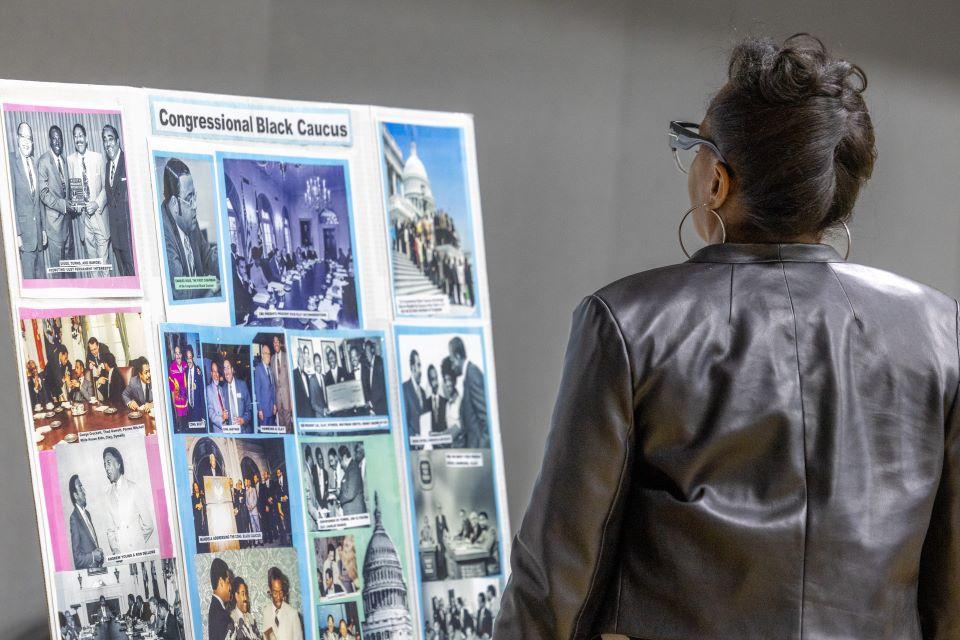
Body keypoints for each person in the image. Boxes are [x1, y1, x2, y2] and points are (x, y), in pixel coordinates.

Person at [494, 33, 960, 638]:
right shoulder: (941, 329)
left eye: (693, 146)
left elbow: (556, 583)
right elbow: (952, 591)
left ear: (717, 180)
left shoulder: (626, 323)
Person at [160, 157, 219, 299]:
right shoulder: (164, 235)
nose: (195, 206)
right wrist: (210, 285)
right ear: (175, 204)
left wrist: (226, 261)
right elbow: (181, 291)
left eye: (194, 197)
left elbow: (207, 256)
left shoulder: (190, 220)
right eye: (189, 199)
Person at [67, 123, 108, 267]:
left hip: (99, 217)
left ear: (86, 138)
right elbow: (73, 190)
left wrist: (96, 203)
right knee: (92, 264)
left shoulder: (98, 158)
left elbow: (106, 188)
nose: (78, 139)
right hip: (84, 221)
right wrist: (76, 203)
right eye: (75, 136)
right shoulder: (70, 160)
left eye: (81, 135)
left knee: (103, 264)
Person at [38, 124, 77, 274]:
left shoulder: (64, 161)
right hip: (54, 227)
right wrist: (64, 205)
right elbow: (43, 193)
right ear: (49, 140)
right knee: (58, 274)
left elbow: (67, 190)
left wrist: (75, 201)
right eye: (54, 139)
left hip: (68, 226)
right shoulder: (43, 161)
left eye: (59, 139)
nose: (57, 142)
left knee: (70, 271)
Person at [102, 446, 154, 554]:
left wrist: (137, 543)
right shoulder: (107, 495)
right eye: (105, 465)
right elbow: (110, 530)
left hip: (136, 552)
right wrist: (115, 549)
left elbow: (149, 525)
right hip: (121, 555)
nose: (106, 468)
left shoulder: (134, 488)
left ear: (118, 464)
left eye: (108, 463)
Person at [11, 121, 46, 280]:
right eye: (23, 137)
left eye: (29, 138)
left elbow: (38, 202)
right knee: (29, 281)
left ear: (32, 142)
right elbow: (11, 201)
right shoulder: (11, 162)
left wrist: (43, 229)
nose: (26, 142)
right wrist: (17, 233)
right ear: (17, 138)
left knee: (42, 282)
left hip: (38, 235)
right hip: (24, 237)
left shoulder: (34, 163)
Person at [102, 124, 133, 275]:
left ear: (118, 141)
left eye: (111, 139)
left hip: (129, 237)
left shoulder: (128, 162)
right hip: (116, 238)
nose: (108, 144)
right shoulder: (108, 166)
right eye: (105, 140)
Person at [448, 337, 488, 448]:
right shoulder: (468, 376)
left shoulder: (472, 374)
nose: (452, 367)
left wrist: (481, 451)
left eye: (452, 361)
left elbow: (486, 420)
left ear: (458, 356)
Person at [68, 474, 104, 568]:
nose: (84, 491)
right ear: (75, 495)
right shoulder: (74, 519)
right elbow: (77, 559)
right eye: (80, 488)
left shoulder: (87, 514)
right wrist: (93, 556)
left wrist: (98, 554)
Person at [261, 566, 303, 640]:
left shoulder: (293, 614)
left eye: (280, 592)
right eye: (275, 593)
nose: (278, 597)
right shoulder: (266, 612)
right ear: (270, 591)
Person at [222, 357, 252, 432]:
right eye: (225, 369)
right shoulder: (223, 390)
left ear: (232, 370)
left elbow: (249, 408)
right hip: (231, 432)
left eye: (228, 368)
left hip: (244, 431)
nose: (226, 372)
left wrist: (244, 419)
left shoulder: (242, 385)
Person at [402, 350, 427, 435]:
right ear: (412, 367)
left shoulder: (423, 392)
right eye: (418, 365)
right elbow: (404, 422)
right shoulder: (404, 389)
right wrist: (414, 436)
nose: (421, 371)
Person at [207, 557, 232, 640]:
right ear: (221, 581)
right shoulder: (220, 613)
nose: (230, 587)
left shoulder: (215, 607)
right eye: (228, 582)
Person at [337, 445, 366, 515]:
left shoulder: (353, 468)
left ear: (344, 457)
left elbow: (349, 494)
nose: (340, 465)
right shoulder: (350, 469)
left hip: (355, 513)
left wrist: (338, 496)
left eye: (340, 461)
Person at [361, 339, 388, 414]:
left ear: (372, 350)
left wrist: (370, 403)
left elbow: (381, 388)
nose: (366, 355)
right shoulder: (368, 366)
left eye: (367, 351)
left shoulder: (379, 362)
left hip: (382, 406)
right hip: (375, 407)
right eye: (365, 352)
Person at [254, 342, 278, 427]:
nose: (268, 356)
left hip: (271, 409)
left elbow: (273, 388)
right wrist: (259, 409)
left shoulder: (270, 369)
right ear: (262, 355)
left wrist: (274, 404)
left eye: (269, 354)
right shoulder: (258, 369)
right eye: (266, 353)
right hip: (263, 411)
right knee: (264, 431)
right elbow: (257, 391)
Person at [271, 335, 292, 427]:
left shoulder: (286, 356)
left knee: (288, 418)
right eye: (274, 342)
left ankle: (289, 433)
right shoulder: (272, 359)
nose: (275, 344)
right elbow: (272, 381)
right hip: (277, 396)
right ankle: (284, 434)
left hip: (287, 395)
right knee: (280, 418)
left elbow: (290, 379)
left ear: (280, 343)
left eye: (277, 342)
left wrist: (291, 399)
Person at [205, 359, 229, 432]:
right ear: (211, 373)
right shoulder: (208, 389)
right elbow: (210, 412)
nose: (216, 374)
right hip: (218, 429)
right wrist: (222, 419)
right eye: (214, 371)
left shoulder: (221, 389)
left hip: (228, 427)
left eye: (217, 371)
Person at [184, 345, 205, 423]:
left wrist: (203, 414)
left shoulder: (198, 371)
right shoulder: (185, 371)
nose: (189, 360)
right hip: (188, 410)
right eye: (187, 358)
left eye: (190, 357)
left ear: (192, 357)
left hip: (198, 410)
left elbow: (202, 394)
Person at [292, 347, 313, 418]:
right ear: (297, 359)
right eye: (300, 357)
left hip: (309, 409)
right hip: (301, 411)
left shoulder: (306, 375)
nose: (302, 359)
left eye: (302, 357)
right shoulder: (294, 374)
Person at [245, 476, 261, 543]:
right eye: (247, 482)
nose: (248, 483)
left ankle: (260, 540)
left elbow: (256, 499)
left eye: (249, 482)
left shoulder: (253, 489)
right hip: (250, 511)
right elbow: (246, 501)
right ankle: (256, 541)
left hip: (254, 510)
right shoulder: (246, 491)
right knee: (253, 525)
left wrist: (253, 506)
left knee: (257, 525)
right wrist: (248, 507)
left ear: (250, 483)